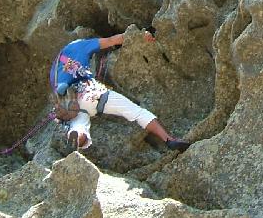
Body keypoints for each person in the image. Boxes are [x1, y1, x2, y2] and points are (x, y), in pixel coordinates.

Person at [50, 32, 190, 152]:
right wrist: (139, 35)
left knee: (79, 123)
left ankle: (76, 135)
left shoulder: (54, 72)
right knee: (136, 112)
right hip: (91, 92)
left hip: (71, 102)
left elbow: (59, 90)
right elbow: (112, 40)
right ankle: (168, 139)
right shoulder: (79, 45)